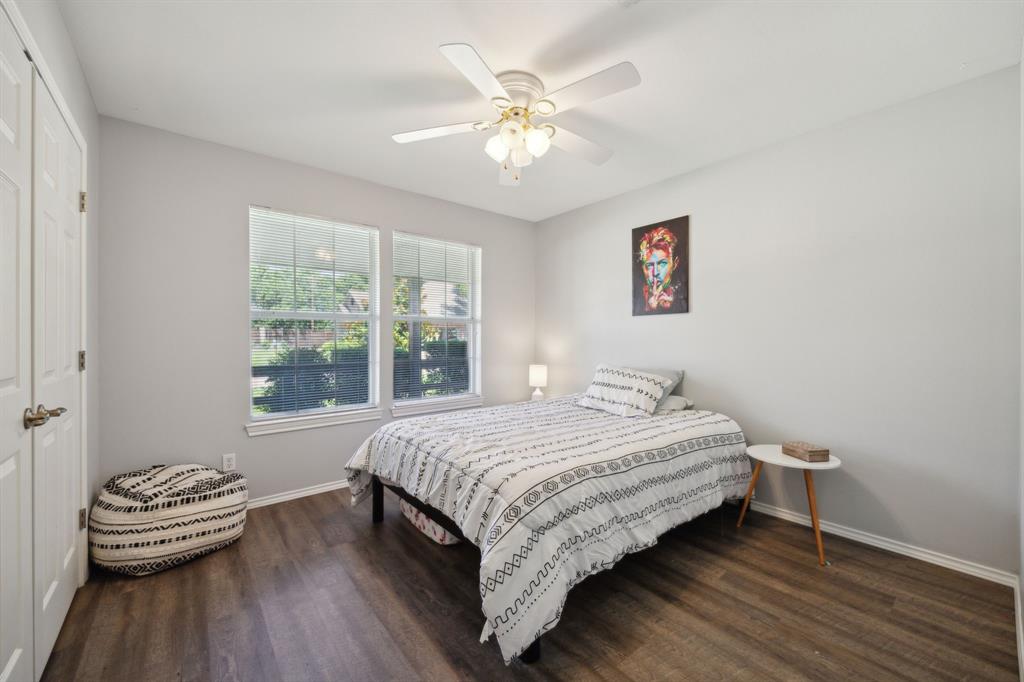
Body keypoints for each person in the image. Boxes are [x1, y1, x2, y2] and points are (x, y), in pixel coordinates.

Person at [638, 226, 681, 312]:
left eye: (662, 264)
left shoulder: (680, 297)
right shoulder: (639, 298)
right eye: (649, 265)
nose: (655, 273)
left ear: (675, 264)